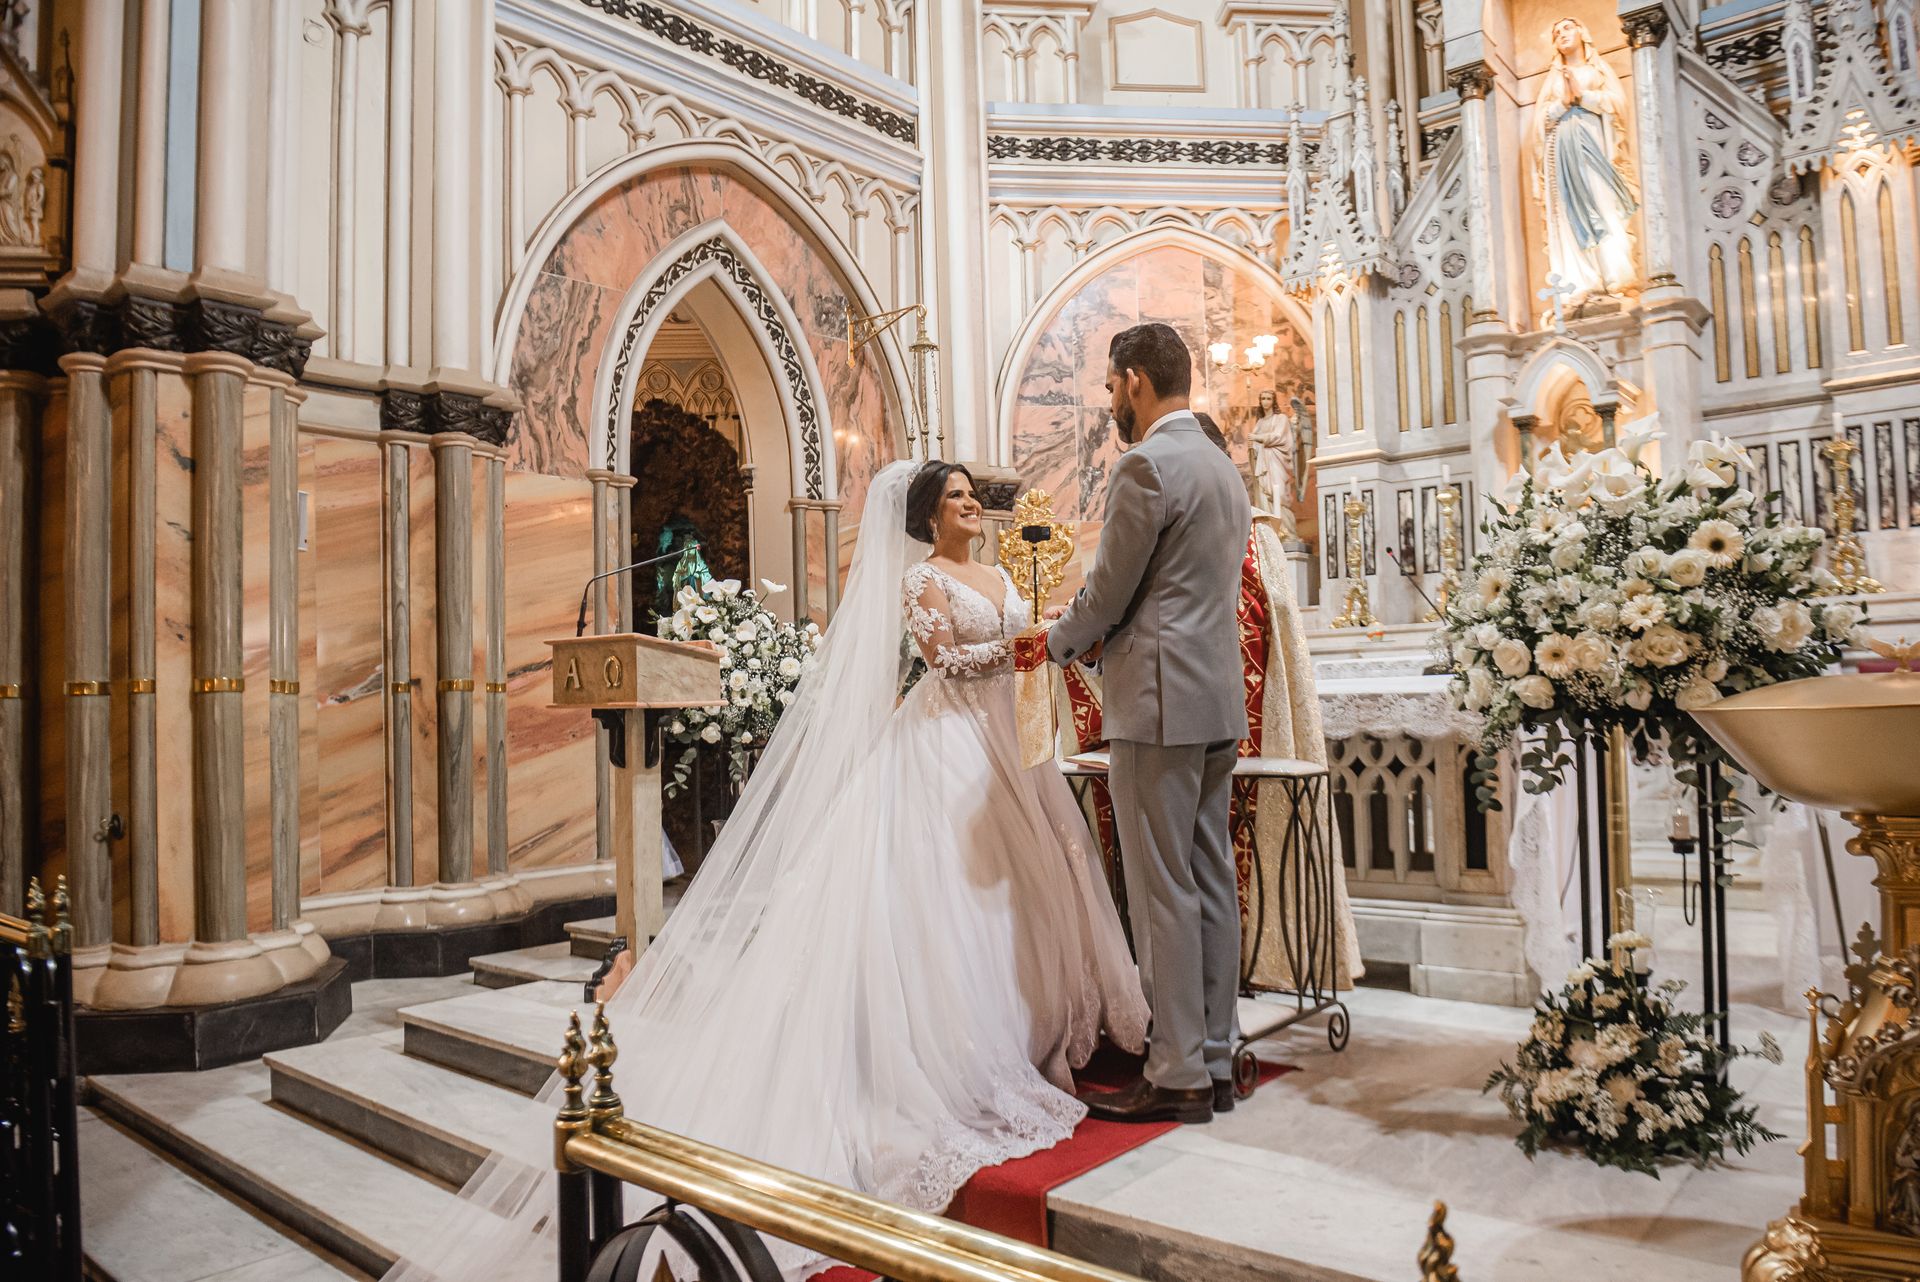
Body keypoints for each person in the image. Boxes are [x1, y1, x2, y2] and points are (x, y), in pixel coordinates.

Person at [383, 459, 1146, 1282]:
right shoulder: (921, 582)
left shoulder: (997, 570)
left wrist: (1047, 635)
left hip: (1010, 746)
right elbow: (943, 664)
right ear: (931, 519)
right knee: (949, 901)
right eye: (957, 498)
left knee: (1021, 887)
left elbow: (1019, 645)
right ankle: (966, 1050)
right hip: (948, 745)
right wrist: (1023, 644)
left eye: (973, 496)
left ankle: (1036, 1023)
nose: (971, 505)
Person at [1046, 322, 1253, 1124]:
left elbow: (1108, 592)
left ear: (1135, 379)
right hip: (1214, 700)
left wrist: (1055, 645)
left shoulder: (1147, 466)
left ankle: (1175, 1074)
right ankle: (1214, 1052)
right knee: (1209, 879)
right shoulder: (1221, 468)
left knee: (1163, 888)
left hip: (1159, 702)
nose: (1108, 405)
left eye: (1109, 388)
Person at [1530, 17, 1638, 304]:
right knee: (1568, 216)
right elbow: (1539, 123)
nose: (1561, 34)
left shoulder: (1597, 70)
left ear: (1582, 31)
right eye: (1556, 32)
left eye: (1567, 28)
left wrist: (1583, 97)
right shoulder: (1553, 79)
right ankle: (1581, 281)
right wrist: (1563, 103)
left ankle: (1617, 276)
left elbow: (1618, 105)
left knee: (1605, 206)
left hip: (1596, 149)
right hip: (1563, 155)